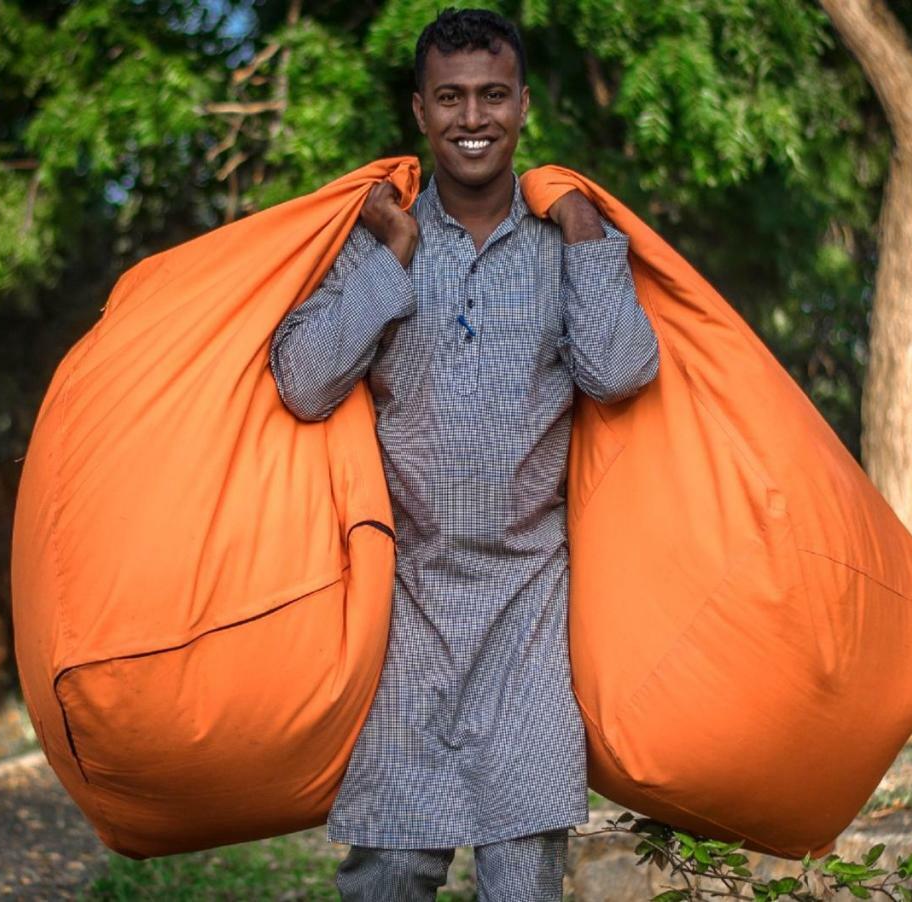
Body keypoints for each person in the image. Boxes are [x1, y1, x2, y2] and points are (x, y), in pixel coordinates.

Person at [268, 8, 659, 900]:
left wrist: (587, 231)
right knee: (388, 878)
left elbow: (622, 371)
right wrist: (390, 263)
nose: (471, 117)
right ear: (420, 110)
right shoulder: (373, 236)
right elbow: (304, 381)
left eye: (491, 95)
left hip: (531, 616)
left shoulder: (565, 241)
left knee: (523, 882)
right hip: (403, 615)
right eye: (450, 97)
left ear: (524, 105)